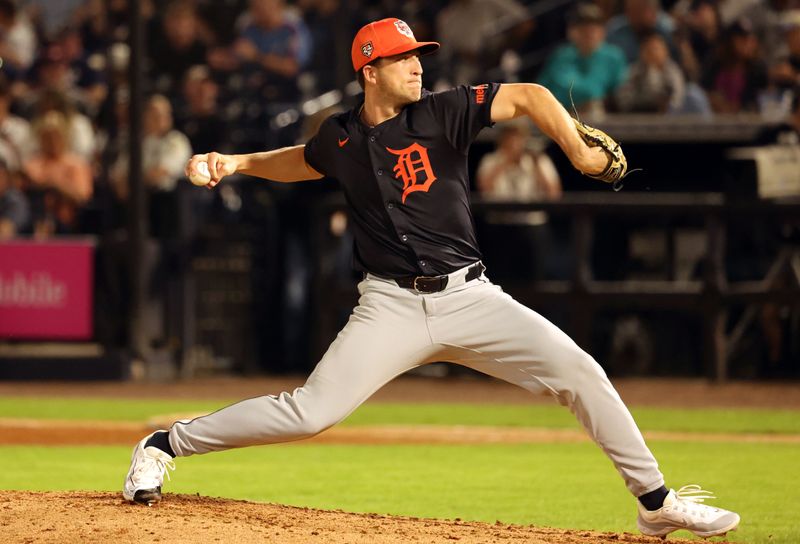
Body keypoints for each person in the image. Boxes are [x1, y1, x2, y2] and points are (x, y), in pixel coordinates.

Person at [123, 17, 740, 539]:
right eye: (403, 59)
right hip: (389, 307)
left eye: (419, 55)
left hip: (471, 297)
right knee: (309, 414)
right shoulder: (339, 137)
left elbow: (527, 95)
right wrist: (237, 163)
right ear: (370, 70)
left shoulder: (445, 112)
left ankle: (654, 503)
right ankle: (162, 445)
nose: (418, 66)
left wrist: (577, 150)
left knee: (581, 371)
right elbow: (306, 162)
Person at [536, 3, 627, 115]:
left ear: (603, 31)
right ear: (571, 31)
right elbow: (547, 88)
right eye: (583, 27)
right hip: (563, 112)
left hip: (603, 117)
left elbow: (621, 92)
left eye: (594, 27)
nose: (589, 32)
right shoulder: (562, 55)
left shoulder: (613, 56)